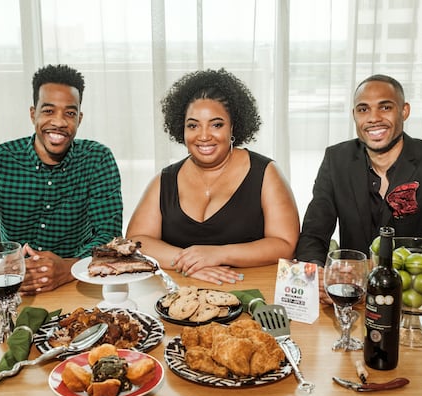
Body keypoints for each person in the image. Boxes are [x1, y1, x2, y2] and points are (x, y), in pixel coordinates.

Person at [0, 64, 123, 294]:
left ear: (79, 119)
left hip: (75, 284)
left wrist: (68, 267)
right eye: (48, 111)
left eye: (70, 113)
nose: (59, 122)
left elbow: (109, 237)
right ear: (33, 113)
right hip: (13, 288)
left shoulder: (98, 159)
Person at [295, 74, 422, 303]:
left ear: (404, 111)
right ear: (354, 115)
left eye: (385, 107)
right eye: (363, 109)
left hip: (412, 299)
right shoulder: (336, 160)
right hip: (349, 296)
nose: (373, 118)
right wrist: (314, 276)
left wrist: (370, 271)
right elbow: (313, 234)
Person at [126, 68, 299, 285]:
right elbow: (136, 240)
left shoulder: (265, 173)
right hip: (179, 295)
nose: (204, 136)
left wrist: (218, 254)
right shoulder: (165, 179)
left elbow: (284, 244)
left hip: (250, 294)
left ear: (233, 127)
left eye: (216, 124)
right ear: (182, 130)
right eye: (193, 125)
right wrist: (189, 263)